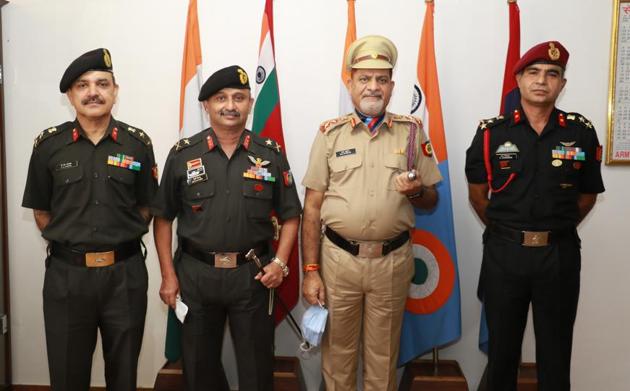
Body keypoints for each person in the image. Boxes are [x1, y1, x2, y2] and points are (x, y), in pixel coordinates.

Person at [301, 35, 442, 391]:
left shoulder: (411, 133)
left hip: (391, 262)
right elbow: (312, 209)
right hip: (338, 262)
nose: (373, 87)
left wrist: (418, 191)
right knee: (338, 358)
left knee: (383, 358)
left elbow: (431, 201)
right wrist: (311, 271)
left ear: (392, 86)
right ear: (350, 84)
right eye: (364, 78)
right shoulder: (330, 135)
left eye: (381, 79)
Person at [465, 41, 605, 391]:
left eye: (552, 74)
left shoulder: (580, 132)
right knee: (502, 354)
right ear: (519, 79)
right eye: (534, 72)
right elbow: (479, 197)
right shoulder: (491, 133)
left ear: (562, 84)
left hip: (558, 255)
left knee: (556, 353)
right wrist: (509, 233)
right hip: (504, 255)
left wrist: (553, 229)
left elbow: (587, 195)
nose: (542, 80)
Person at [152, 65, 301, 391]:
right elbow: (162, 218)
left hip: (252, 276)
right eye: (221, 98)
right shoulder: (182, 155)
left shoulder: (270, 155)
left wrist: (280, 263)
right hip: (195, 276)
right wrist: (167, 274)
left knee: (256, 368)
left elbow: (292, 215)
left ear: (249, 103)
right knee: (198, 369)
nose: (230, 105)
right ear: (206, 105)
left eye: (239, 97)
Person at [22, 48, 157, 390]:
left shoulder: (137, 144)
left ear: (115, 91)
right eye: (82, 85)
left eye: (102, 83)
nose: (93, 92)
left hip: (124, 276)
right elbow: (41, 212)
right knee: (68, 374)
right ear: (70, 95)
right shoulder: (49, 146)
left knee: (124, 374)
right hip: (68, 278)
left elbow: (146, 207)